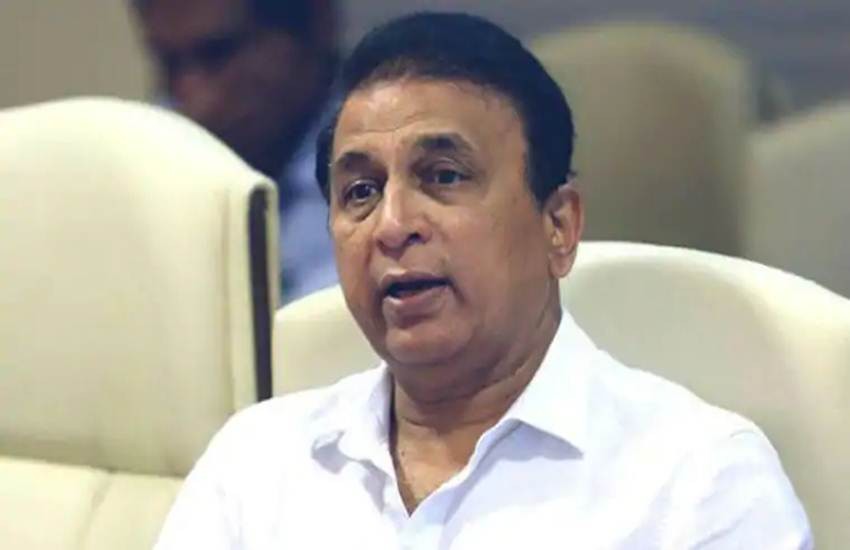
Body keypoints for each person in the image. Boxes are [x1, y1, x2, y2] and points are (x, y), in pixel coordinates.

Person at [155, 12, 812, 549]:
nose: (392, 225)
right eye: (360, 191)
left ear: (559, 226)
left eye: (443, 176)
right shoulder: (257, 462)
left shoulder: (697, 482)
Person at [133, 0, 339, 301]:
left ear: (318, 24)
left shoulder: (391, 166)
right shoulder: (151, 156)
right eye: (169, 63)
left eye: (218, 53)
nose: (196, 105)